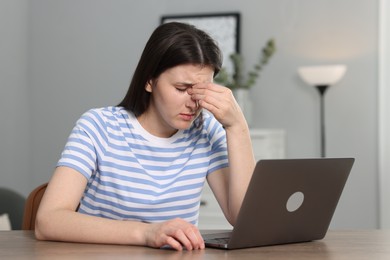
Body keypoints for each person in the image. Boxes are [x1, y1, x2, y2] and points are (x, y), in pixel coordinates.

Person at [35, 22, 255, 251]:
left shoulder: (207, 130)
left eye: (202, 91)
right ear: (149, 81)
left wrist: (237, 126)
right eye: (181, 88)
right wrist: (148, 232)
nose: (194, 103)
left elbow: (243, 220)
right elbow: (49, 220)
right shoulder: (99, 126)